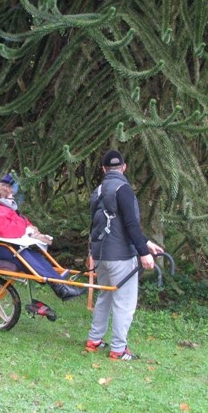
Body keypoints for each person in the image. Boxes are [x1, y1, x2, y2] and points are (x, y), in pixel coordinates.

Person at [84, 150, 163, 360]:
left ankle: (94, 339)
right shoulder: (123, 188)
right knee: (125, 303)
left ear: (103, 169)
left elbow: (110, 222)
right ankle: (118, 349)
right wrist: (143, 252)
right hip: (120, 256)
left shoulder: (99, 190)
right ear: (124, 167)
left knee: (105, 297)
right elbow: (130, 223)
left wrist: (146, 242)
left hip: (100, 254)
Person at [0, 182, 86, 301]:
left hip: (3, 244)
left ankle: (58, 281)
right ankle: (58, 286)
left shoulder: (6, 208)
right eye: (10, 196)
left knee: (32, 253)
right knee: (22, 254)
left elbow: (24, 223)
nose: (12, 198)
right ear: (0, 196)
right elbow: (8, 231)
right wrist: (26, 229)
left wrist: (31, 230)